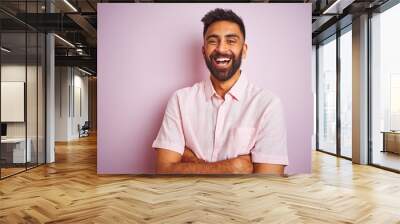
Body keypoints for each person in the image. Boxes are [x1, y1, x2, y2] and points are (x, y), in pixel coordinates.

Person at [152, 8, 288, 175]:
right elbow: (164, 170)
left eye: (231, 41)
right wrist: (233, 167)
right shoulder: (180, 100)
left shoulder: (268, 104)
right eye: (213, 41)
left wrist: (190, 162)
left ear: (244, 50)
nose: (221, 49)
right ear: (204, 51)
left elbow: (269, 182)